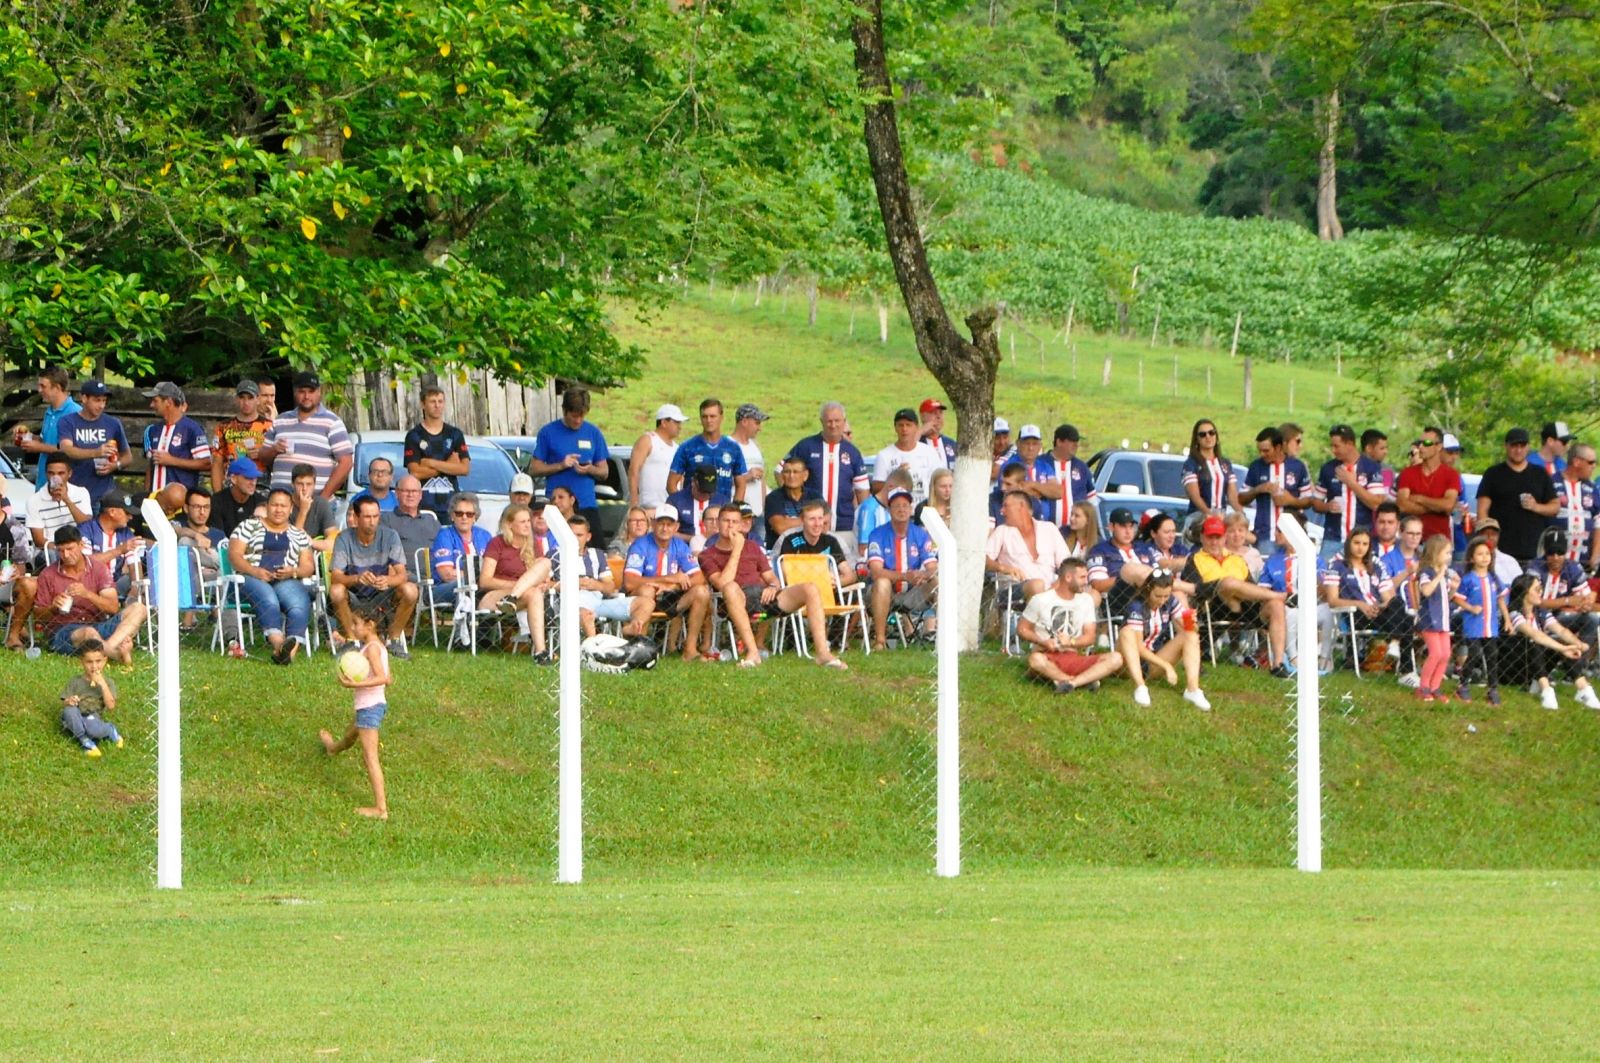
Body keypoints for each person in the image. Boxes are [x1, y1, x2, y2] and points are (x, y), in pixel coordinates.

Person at [700, 505, 848, 669]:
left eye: (735, 522)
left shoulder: (753, 547)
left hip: (764, 597)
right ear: (718, 524)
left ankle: (822, 653)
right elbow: (722, 584)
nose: (730, 526)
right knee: (730, 587)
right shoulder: (707, 555)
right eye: (726, 521)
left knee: (810, 588)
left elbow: (772, 578)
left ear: (741, 525)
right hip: (733, 601)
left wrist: (772, 586)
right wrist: (737, 550)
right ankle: (753, 653)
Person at [1184, 514, 1290, 676]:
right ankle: (1280, 596)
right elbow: (1195, 590)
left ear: (1224, 538)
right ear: (1202, 538)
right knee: (1228, 583)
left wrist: (1238, 594)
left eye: (1218, 537)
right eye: (1210, 537)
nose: (1214, 542)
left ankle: (1278, 664)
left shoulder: (1236, 559)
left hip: (1245, 607)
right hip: (1212, 606)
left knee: (1276, 605)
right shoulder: (1195, 559)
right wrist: (1223, 586)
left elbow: (1251, 588)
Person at [228, 488, 316, 664]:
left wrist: (293, 571)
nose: (278, 509)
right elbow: (234, 556)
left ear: (291, 509)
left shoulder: (298, 535)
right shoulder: (248, 526)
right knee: (268, 598)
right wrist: (255, 571)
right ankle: (279, 645)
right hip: (250, 578)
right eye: (274, 505)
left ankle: (287, 654)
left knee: (299, 603)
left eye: (283, 506)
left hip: (285, 579)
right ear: (267, 506)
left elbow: (308, 566)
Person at [34, 525, 146, 662]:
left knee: (139, 609)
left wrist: (87, 594)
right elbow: (39, 616)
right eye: (61, 551)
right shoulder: (48, 574)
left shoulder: (98, 569)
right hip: (64, 631)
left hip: (97, 624)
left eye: (70, 549)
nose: (66, 555)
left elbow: (113, 607)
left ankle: (105, 649)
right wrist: (53, 607)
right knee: (88, 632)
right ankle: (117, 656)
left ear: (81, 545)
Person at [319, 610, 392, 820]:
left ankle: (380, 809)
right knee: (350, 736)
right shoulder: (376, 646)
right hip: (372, 705)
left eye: (356, 624)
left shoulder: (372, 650)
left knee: (370, 757)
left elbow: (384, 678)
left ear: (370, 625)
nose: (352, 629)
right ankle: (333, 748)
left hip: (370, 708)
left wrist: (354, 683)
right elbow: (390, 678)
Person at [1017, 558, 1124, 694]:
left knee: (1116, 658)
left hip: (1073, 656)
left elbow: (1090, 637)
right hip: (1047, 656)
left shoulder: (1086, 601)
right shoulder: (1041, 600)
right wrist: (1043, 642)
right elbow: (1022, 629)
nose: (1086, 582)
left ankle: (1070, 683)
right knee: (1035, 660)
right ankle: (1082, 680)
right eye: (1082, 577)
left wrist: (1071, 642)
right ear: (1068, 577)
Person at [330, 496, 418, 656]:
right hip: (353, 595)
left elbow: (402, 574)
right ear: (356, 518)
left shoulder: (390, 536)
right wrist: (357, 578)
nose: (372, 521)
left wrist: (388, 580)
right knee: (336, 590)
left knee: (410, 590)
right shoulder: (344, 538)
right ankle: (351, 642)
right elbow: (335, 577)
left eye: (376, 516)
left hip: (382, 594)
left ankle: (394, 640)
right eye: (367, 517)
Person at [622, 505, 711, 661]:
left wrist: (672, 585)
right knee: (646, 590)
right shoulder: (640, 545)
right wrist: (669, 578)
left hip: (671, 596)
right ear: (653, 524)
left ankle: (690, 650)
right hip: (643, 597)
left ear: (676, 527)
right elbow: (630, 583)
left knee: (702, 592)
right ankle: (640, 650)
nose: (665, 528)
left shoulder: (680, 546)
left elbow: (699, 577)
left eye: (669, 524)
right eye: (661, 523)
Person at [1505, 573, 1600, 711]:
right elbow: (1535, 634)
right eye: (1537, 590)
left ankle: (1583, 689)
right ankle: (1546, 690)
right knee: (1535, 642)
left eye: (1541, 589)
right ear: (1525, 592)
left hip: (1535, 663)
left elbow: (1561, 630)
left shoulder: (1540, 611)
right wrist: (1562, 648)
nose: (1541, 593)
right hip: (1514, 666)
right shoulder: (1514, 613)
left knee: (1562, 643)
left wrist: (1577, 644)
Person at [1321, 527, 1411, 672]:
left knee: (1399, 605)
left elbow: (1388, 597)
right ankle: (1406, 669)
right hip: (1354, 614)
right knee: (1405, 621)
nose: (1360, 548)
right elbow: (1332, 600)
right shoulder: (1337, 565)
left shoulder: (1376, 565)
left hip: (1377, 612)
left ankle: (1395, 643)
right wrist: (1360, 604)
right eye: (1356, 543)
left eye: (1365, 544)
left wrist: (1380, 606)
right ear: (1349, 543)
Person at [786, 401, 869, 559]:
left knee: (843, 570)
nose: (833, 425)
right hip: (810, 529)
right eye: (829, 421)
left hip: (843, 527)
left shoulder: (853, 452)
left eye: (837, 421)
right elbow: (780, 471)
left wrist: (862, 528)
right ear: (821, 422)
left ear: (844, 422)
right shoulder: (806, 446)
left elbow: (863, 492)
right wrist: (791, 497)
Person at [529, 386, 610, 544]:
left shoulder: (593, 432)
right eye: (574, 416)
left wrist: (590, 469)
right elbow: (534, 468)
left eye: (582, 416)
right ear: (564, 410)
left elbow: (604, 471)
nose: (578, 420)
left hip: (587, 504)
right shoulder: (548, 432)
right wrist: (561, 465)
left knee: (596, 551)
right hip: (557, 506)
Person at [1118, 574, 1211, 710]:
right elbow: (1138, 647)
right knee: (1127, 632)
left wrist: (1191, 621)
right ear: (1148, 590)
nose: (1162, 601)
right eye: (1158, 596)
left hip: (1152, 662)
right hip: (1128, 662)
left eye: (1166, 596)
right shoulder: (1136, 607)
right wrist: (1166, 666)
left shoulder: (1170, 602)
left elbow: (1192, 630)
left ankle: (1193, 690)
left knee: (1190, 635)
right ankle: (1140, 687)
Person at [865, 488, 938, 651]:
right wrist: (905, 576)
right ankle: (880, 641)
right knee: (882, 582)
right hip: (883, 594)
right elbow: (876, 572)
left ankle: (945, 637)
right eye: (896, 505)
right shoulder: (877, 534)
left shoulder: (920, 534)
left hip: (912, 593)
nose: (901, 509)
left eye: (905, 505)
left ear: (911, 509)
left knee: (936, 581)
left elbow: (933, 567)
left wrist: (923, 575)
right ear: (889, 510)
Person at [260, 371, 354, 497]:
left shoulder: (332, 422)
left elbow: (346, 462)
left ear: (319, 392)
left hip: (314, 502)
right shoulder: (280, 420)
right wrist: (274, 450)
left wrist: (322, 499)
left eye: (311, 391)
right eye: (302, 391)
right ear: (295, 392)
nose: (306, 396)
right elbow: (263, 457)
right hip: (281, 504)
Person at [1476, 427, 1558, 563]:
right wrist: (1488, 542)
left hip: (1533, 551)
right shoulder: (1493, 474)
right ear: (1506, 446)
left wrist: (1536, 506)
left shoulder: (1540, 474)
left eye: (1522, 445)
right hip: (1501, 551)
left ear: (1528, 447)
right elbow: (1482, 512)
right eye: (1514, 445)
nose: (1518, 450)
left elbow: (1555, 507)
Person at [1312, 424, 1388, 559]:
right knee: (1324, 576)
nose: (1333, 450)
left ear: (1350, 444)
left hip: (1361, 539)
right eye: (1332, 446)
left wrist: (1352, 483)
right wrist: (1327, 506)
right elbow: (1316, 503)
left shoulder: (1371, 467)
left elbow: (1376, 504)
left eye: (1336, 446)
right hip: (1333, 538)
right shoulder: (1328, 468)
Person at [985, 490, 1071, 602]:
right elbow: (984, 559)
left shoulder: (1049, 528)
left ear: (1021, 506)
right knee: (1037, 585)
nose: (1001, 511)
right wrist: (1002, 568)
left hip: (1051, 588)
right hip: (1015, 589)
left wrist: (1058, 584)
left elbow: (1067, 564)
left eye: (1006, 506)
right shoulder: (1002, 531)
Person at [56, 379, 129, 507]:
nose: (101, 405)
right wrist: (97, 452)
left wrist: (115, 465)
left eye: (104, 401)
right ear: (84, 398)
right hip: (75, 494)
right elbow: (66, 449)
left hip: (105, 495)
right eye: (97, 400)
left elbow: (128, 457)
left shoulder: (113, 423)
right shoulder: (67, 422)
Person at [1240, 426, 1311, 554]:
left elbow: (1308, 501)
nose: (1262, 454)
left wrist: (1291, 500)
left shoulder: (1297, 466)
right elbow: (1241, 498)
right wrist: (1258, 490)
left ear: (1278, 447)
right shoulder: (1256, 466)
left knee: (1292, 571)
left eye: (1266, 450)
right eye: (1260, 450)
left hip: (1293, 535)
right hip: (1266, 536)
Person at [404, 385, 471, 519]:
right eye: (432, 402)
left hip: (451, 505)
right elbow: (415, 472)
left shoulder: (454, 434)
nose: (437, 406)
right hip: (424, 505)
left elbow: (464, 468)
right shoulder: (414, 436)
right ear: (423, 404)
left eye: (440, 401)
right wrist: (449, 465)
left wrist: (430, 462)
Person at [1527, 529, 1597, 656]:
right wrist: (1567, 601)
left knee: (1592, 619)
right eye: (1551, 553)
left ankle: (1581, 663)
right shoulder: (1534, 567)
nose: (1555, 557)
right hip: (1536, 617)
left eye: (1560, 553)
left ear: (1566, 552)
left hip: (1560, 617)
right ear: (1545, 552)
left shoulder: (1573, 567)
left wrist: (1586, 603)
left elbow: (1585, 598)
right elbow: (1535, 602)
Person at [428, 491, 493, 624]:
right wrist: (479, 577)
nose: (464, 517)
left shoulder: (485, 535)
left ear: (475, 517)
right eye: (459, 513)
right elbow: (446, 574)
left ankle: (486, 632)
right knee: (466, 585)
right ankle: (462, 636)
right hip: (443, 589)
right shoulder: (444, 535)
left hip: (480, 586)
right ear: (452, 516)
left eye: (469, 514)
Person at [1452, 537, 1504, 705]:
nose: (1484, 557)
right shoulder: (1468, 579)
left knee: (1492, 655)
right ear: (1472, 558)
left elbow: (1501, 598)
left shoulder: (1494, 578)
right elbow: (1457, 598)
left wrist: (1507, 619)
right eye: (1480, 554)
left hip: (1491, 626)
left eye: (1487, 553)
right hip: (1474, 625)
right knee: (1474, 653)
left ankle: (1493, 689)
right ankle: (1463, 684)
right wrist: (1471, 608)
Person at [668, 397, 747, 503]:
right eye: (704, 416)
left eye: (713, 416)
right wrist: (682, 506)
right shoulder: (687, 447)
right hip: (694, 513)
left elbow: (741, 485)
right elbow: (671, 484)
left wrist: (734, 511)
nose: (709, 420)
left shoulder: (733, 448)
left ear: (721, 417)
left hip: (721, 512)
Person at [14, 367, 80, 488]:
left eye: (43, 386)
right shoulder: (49, 411)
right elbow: (45, 440)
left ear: (57, 388)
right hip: (43, 483)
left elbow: (73, 450)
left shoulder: (75, 413)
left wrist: (39, 447)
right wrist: (28, 436)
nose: (39, 390)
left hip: (62, 487)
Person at [1086, 507, 1160, 616]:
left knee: (1175, 592)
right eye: (1123, 526)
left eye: (1131, 526)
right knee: (1132, 570)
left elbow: (1160, 577)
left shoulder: (1143, 549)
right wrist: (1128, 578)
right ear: (1111, 527)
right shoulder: (1100, 550)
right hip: (1119, 598)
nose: (1128, 531)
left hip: (1152, 595)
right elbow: (1098, 584)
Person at [141, 381, 211, 493]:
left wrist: (172, 460)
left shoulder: (192, 429)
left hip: (182, 500)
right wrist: (146, 495)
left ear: (168, 402)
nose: (151, 405)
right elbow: (150, 466)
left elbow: (206, 463)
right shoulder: (152, 430)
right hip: (155, 500)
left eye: (155, 401)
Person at [569, 514, 632, 638]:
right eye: (571, 535)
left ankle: (632, 638)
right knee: (585, 613)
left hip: (599, 603)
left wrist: (596, 585)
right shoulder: (555, 555)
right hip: (571, 603)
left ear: (588, 537)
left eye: (579, 535)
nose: (574, 539)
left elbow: (610, 587)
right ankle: (594, 649)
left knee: (645, 604)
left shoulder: (597, 555)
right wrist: (571, 584)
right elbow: (546, 584)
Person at [1413, 534, 1460, 703]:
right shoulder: (1427, 572)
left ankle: (1435, 686)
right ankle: (1423, 686)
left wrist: (1453, 590)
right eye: (1446, 553)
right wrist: (1440, 575)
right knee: (1435, 653)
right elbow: (1426, 591)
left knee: (1446, 654)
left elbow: (1443, 598)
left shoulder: (1444, 574)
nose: (1449, 557)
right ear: (1435, 553)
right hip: (1429, 619)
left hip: (1443, 619)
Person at [1395, 426, 1462, 542]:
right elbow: (1402, 505)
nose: (1421, 447)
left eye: (1426, 443)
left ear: (1439, 446)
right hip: (1411, 541)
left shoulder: (1452, 475)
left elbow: (1448, 506)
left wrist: (1419, 498)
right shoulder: (1405, 473)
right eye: (1420, 443)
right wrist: (1437, 507)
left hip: (1439, 542)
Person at [58, 640, 122, 757]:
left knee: (93, 729)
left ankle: (109, 729)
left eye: (98, 661)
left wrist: (102, 684)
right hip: (76, 715)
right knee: (69, 711)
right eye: (89, 662)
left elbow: (111, 706)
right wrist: (70, 701)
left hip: (92, 716)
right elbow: (65, 702)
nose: (94, 666)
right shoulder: (76, 681)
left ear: (105, 660)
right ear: (82, 662)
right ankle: (85, 740)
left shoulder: (108, 682)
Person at [776, 498, 857, 586]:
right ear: (802, 520)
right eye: (812, 519)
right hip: (800, 592)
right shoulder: (791, 540)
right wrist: (819, 579)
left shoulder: (831, 541)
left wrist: (836, 582)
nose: (817, 523)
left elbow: (849, 575)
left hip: (827, 593)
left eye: (820, 518)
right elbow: (785, 575)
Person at [211, 379, 273, 489]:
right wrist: (217, 496)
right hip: (232, 483)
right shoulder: (223, 427)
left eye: (250, 398)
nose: (246, 402)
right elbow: (217, 463)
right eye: (242, 397)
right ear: (236, 399)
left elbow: (277, 459)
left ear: (258, 399)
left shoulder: (269, 426)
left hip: (260, 484)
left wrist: (262, 454)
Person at [873, 408, 944, 503]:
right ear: (895, 428)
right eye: (900, 425)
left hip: (925, 510)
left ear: (916, 427)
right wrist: (896, 476)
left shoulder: (929, 452)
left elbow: (940, 480)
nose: (904, 429)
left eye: (908, 425)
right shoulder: (884, 455)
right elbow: (876, 488)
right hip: (896, 511)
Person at [76, 493, 140, 599]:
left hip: (115, 585)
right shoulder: (85, 530)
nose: (131, 517)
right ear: (112, 512)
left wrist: (135, 589)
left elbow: (135, 565)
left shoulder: (126, 532)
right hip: (88, 586)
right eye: (127, 512)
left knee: (138, 581)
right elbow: (85, 563)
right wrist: (119, 550)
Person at [380, 476, 441, 582]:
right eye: (406, 491)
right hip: (407, 579)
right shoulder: (386, 520)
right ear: (396, 494)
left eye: (414, 491)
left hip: (437, 577)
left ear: (420, 495)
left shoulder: (431, 519)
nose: (410, 495)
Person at [26, 454, 92, 550]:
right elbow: (39, 541)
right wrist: (62, 549)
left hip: (79, 547)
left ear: (69, 474)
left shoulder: (81, 493)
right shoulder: (34, 501)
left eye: (61, 473)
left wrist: (67, 500)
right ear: (46, 474)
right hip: (51, 550)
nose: (56, 477)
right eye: (51, 473)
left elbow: (88, 526)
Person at [2, 485, 38, 650]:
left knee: (29, 585)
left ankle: (14, 634)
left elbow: (22, 567)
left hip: (5, 583)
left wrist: (15, 572)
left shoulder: (14, 527)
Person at [629, 403, 685, 510]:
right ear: (663, 422)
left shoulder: (677, 448)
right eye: (676, 422)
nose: (680, 426)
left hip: (672, 509)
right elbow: (633, 471)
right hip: (649, 508)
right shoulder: (648, 440)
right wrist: (634, 503)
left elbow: (680, 478)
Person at [1552, 443, 1600, 566]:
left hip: (1584, 562)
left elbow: (1598, 522)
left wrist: (1595, 555)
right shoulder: (1551, 482)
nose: (1594, 466)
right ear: (1577, 462)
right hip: (1554, 560)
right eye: (1591, 462)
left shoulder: (1592, 488)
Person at [1181, 419, 1240, 518]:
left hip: (1221, 515)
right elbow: (1195, 496)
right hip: (1198, 515)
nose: (1208, 437)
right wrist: (1209, 513)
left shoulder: (1225, 463)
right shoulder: (1191, 464)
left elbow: (1232, 496)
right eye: (1202, 434)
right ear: (1197, 439)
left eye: (1211, 433)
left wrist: (1241, 513)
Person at [1004, 425, 1057, 521]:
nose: (1031, 448)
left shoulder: (1045, 466)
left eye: (1035, 443)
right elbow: (1010, 491)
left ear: (1040, 445)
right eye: (1026, 443)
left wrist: (1033, 485)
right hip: (1017, 523)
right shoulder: (1009, 465)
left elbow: (1057, 491)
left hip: (1042, 525)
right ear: (1018, 444)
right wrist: (1044, 490)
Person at [666, 465, 730, 544]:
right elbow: (667, 530)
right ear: (693, 482)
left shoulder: (723, 501)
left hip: (717, 546)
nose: (706, 495)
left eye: (709, 492)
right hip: (684, 547)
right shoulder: (675, 500)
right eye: (702, 491)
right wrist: (695, 540)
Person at [286, 463, 339, 552]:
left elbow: (334, 541)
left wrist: (311, 542)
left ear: (314, 485)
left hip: (315, 554)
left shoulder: (321, 504)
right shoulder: (284, 504)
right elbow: (293, 542)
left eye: (309, 484)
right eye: (300, 484)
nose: (304, 488)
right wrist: (303, 511)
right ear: (292, 484)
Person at [730, 402, 769, 519]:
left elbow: (762, 480)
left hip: (757, 515)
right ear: (744, 421)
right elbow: (720, 480)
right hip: (737, 514)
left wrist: (762, 508)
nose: (759, 428)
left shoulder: (755, 446)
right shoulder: (727, 445)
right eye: (757, 423)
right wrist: (746, 477)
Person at [763, 456, 813, 548]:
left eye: (796, 472)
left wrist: (789, 521)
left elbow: (824, 526)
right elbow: (780, 528)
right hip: (780, 554)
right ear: (782, 475)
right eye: (787, 472)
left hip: (810, 553)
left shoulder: (814, 497)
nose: (791, 476)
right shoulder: (773, 498)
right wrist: (810, 520)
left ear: (805, 475)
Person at [211, 458, 268, 537]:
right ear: (234, 479)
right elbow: (217, 535)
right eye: (248, 478)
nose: (253, 483)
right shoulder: (217, 501)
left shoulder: (261, 502)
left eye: (255, 477)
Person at [917, 398, 957, 469]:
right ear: (922, 416)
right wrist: (921, 431)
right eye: (933, 413)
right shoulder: (916, 442)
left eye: (941, 412)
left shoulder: (951, 443)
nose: (938, 417)